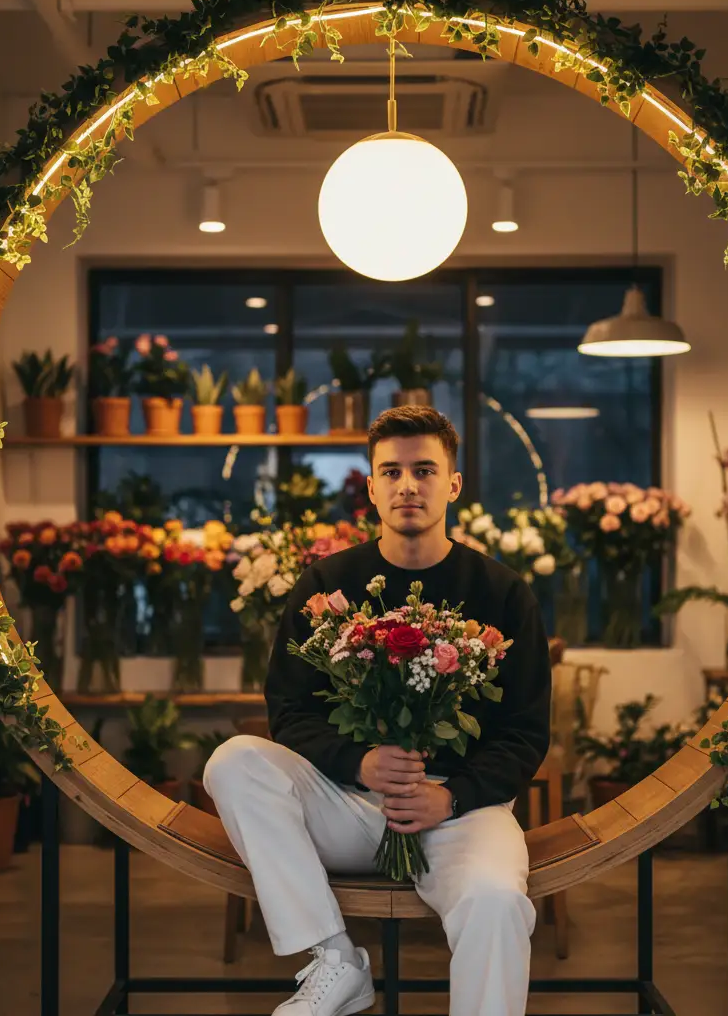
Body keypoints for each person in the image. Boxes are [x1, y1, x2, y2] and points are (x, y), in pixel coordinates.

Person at [205, 405, 551, 1016]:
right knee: (234, 761)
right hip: (349, 804)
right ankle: (334, 957)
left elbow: (525, 733)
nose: (408, 486)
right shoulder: (327, 586)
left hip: (458, 813)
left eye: (424, 470)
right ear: (370, 486)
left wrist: (455, 795)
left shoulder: (502, 593)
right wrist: (359, 763)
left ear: (454, 483)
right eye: (390, 472)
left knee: (497, 902)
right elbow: (289, 711)